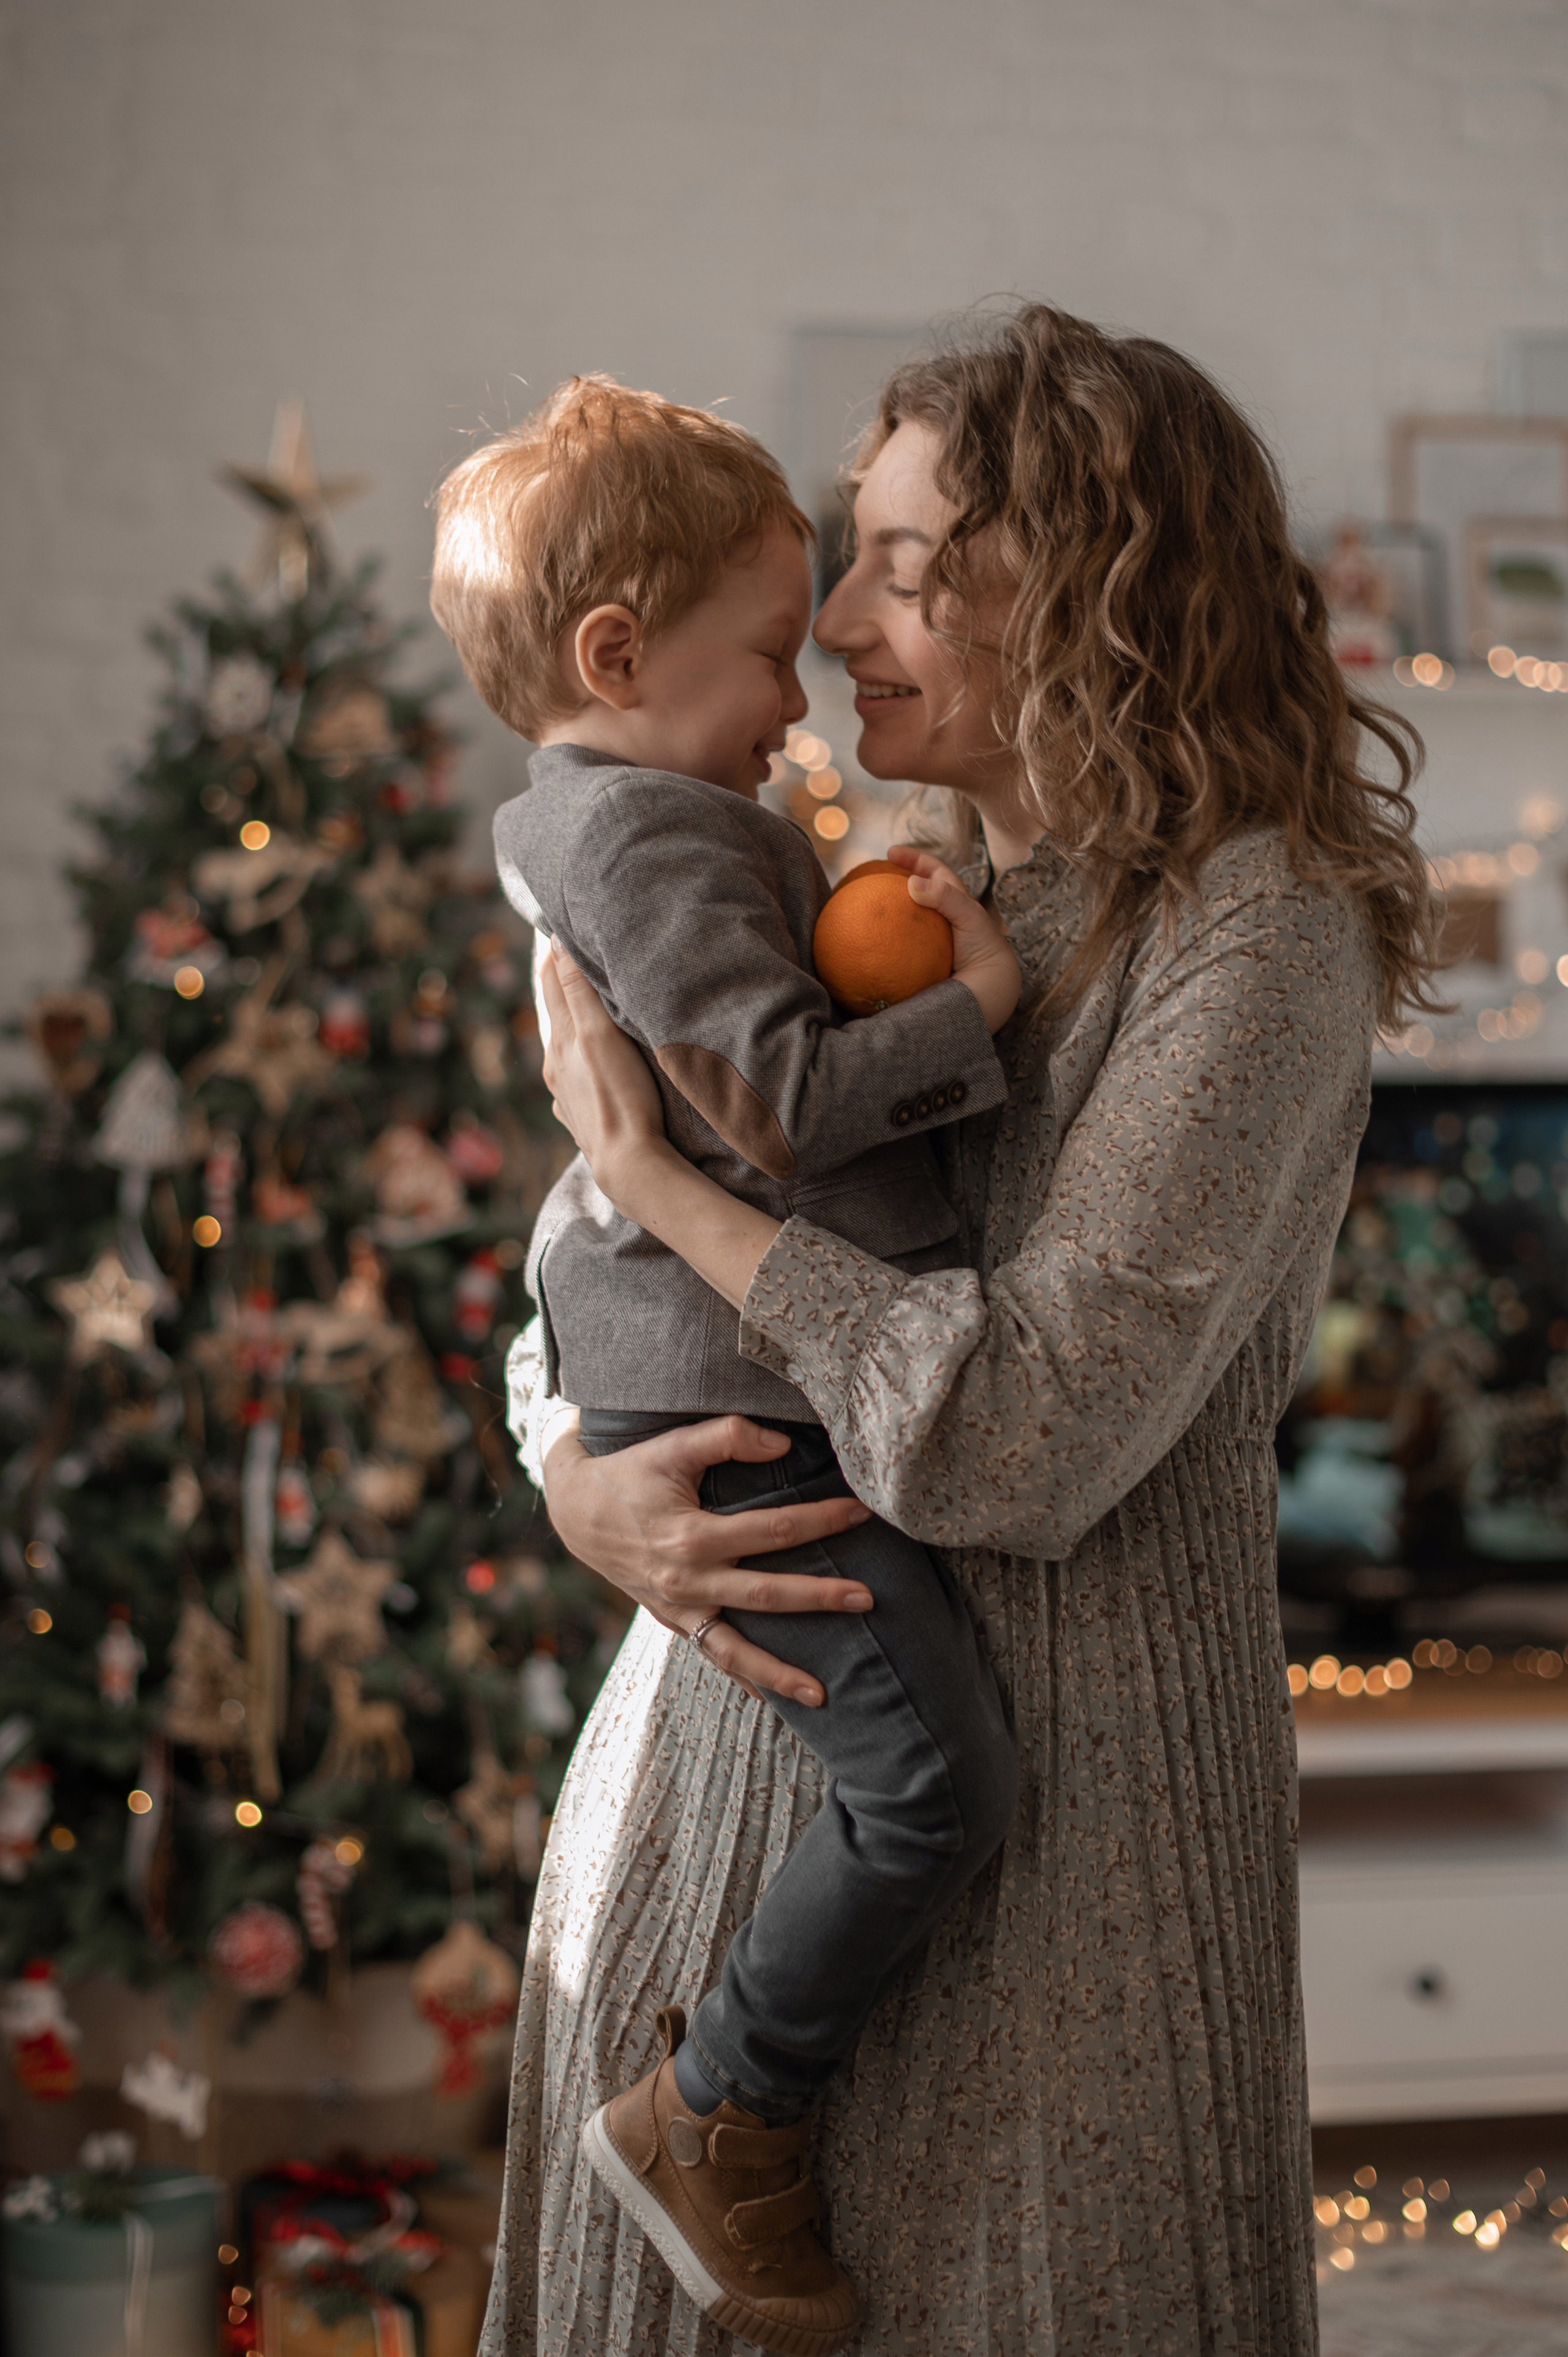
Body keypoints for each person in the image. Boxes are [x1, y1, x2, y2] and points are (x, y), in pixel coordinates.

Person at [482, 303, 1440, 2357]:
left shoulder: (1254, 938)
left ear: (1095, 589)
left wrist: (663, 1192)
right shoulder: (892, 878)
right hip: (707, 1794)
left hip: (1064, 1876)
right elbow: (587, 1260)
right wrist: (569, 1470)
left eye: (908, 564)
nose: (835, 619)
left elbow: (1008, 1438)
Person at [430, 378, 1023, 2356]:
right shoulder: (657, 836)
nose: (803, 692)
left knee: (926, 1778)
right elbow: (765, 1108)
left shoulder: (649, 820)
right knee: (933, 1790)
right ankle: (717, 2106)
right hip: (747, 1401)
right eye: (771, 649)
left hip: (737, 1375)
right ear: (618, 656)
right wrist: (983, 1010)